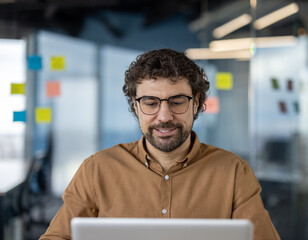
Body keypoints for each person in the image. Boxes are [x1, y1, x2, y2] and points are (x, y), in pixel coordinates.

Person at [40, 49, 280, 240]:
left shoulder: (234, 172)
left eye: (176, 101)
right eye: (151, 102)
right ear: (135, 106)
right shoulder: (96, 170)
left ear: (196, 103)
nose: (164, 116)